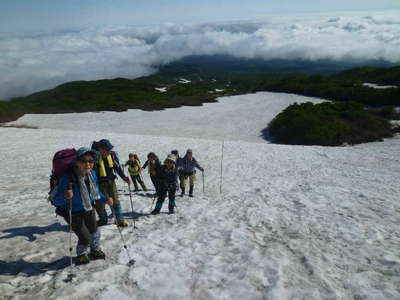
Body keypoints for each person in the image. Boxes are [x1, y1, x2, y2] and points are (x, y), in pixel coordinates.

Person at [53, 147, 113, 264]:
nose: (87, 164)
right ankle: (81, 254)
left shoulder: (92, 174)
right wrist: (65, 196)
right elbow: (56, 200)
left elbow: (95, 192)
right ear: (76, 162)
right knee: (85, 238)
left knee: (95, 232)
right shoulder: (68, 177)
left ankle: (95, 250)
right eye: (83, 160)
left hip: (88, 208)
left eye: (91, 161)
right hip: (74, 212)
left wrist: (105, 198)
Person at [92, 139, 130, 227]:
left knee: (115, 200)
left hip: (110, 182)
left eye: (109, 149)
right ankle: (103, 220)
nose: (109, 151)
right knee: (100, 203)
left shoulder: (112, 155)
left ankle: (120, 220)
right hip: (98, 184)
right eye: (107, 149)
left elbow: (117, 167)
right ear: (100, 149)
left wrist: (124, 177)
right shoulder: (94, 158)